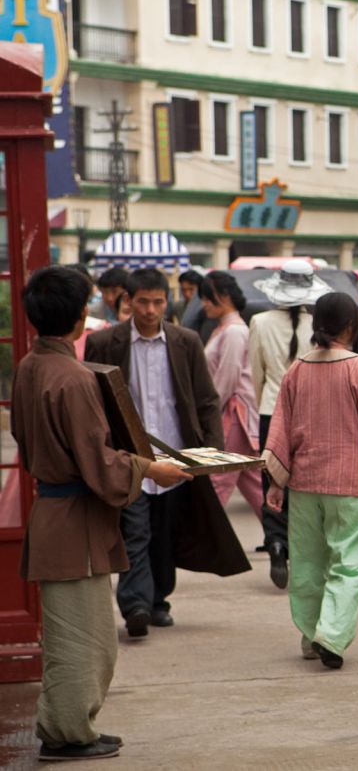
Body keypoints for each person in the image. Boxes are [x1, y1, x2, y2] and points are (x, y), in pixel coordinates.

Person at [14, 267, 192, 762]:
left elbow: (29, 444)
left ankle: (68, 725)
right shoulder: (71, 377)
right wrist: (151, 466)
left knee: (79, 635)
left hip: (58, 511)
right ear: (77, 318)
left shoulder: (32, 366)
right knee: (84, 641)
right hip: (72, 520)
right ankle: (66, 732)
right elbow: (100, 462)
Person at [84, 268, 250, 638]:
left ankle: (159, 601)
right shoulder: (105, 343)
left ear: (167, 301)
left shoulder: (185, 341)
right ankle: (136, 605)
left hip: (177, 453)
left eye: (158, 301)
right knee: (136, 530)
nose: (150, 309)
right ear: (127, 301)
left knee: (165, 531)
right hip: (133, 459)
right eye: (142, 301)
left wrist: (211, 451)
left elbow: (206, 399)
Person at [264, 293, 358, 670]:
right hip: (352, 484)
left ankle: (312, 634)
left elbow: (280, 431)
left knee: (309, 563)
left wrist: (276, 483)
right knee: (348, 564)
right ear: (351, 326)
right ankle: (331, 634)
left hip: (305, 483)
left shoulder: (296, 369)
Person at [249, 260, 332, 588]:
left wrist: (264, 402)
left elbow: (257, 371)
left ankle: (276, 541)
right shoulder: (318, 324)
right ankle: (303, 549)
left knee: (271, 480)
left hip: (272, 410)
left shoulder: (259, 321)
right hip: (310, 412)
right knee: (305, 483)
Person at [199, 272, 263, 519]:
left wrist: (208, 412)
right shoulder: (227, 329)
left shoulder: (234, 331)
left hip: (233, 413)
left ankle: (204, 539)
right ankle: (284, 536)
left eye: (207, 298)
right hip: (235, 412)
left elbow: (227, 378)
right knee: (253, 482)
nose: (204, 304)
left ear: (223, 297)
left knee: (218, 478)